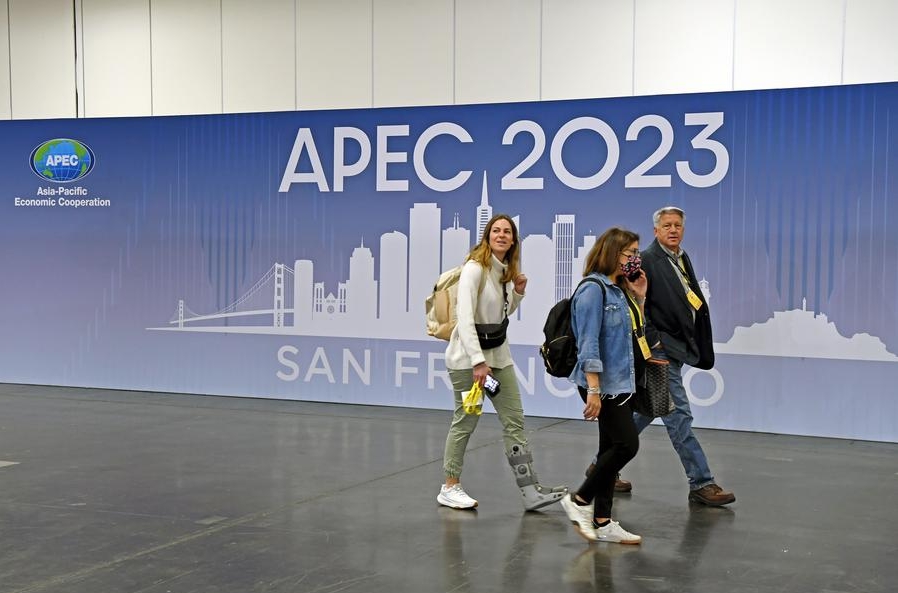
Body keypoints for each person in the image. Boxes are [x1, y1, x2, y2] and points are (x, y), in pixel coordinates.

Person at [437, 214, 568, 511]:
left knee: (515, 420)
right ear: (487, 236)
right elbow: (467, 320)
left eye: (507, 232)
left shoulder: (504, 271)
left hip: (499, 358)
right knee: (466, 420)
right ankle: (449, 486)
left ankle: (530, 490)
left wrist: (517, 292)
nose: (501, 235)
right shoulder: (474, 269)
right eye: (496, 230)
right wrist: (478, 363)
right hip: (467, 362)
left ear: (513, 240)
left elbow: (499, 316)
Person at [631, 206, 735, 506]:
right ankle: (702, 482)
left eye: (677, 225)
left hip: (676, 346)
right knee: (679, 415)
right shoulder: (645, 259)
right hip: (659, 349)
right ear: (655, 230)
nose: (673, 230)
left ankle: (602, 465)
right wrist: (652, 344)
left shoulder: (681, 257)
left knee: (649, 410)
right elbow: (635, 303)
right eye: (667, 225)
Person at [560, 227, 646, 544]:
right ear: (612, 253)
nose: (635, 259)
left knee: (609, 448)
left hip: (621, 382)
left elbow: (633, 335)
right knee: (627, 444)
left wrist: (640, 296)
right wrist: (593, 390)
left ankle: (603, 520)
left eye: (636, 253)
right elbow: (588, 344)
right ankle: (579, 500)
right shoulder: (592, 291)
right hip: (602, 384)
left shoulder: (618, 290)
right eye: (629, 253)